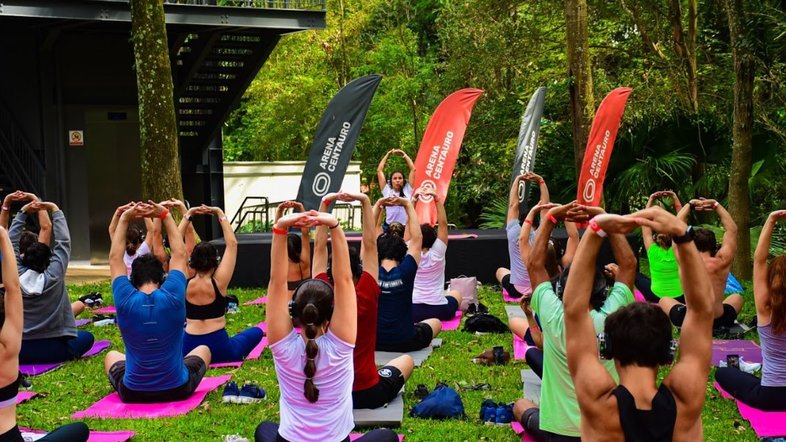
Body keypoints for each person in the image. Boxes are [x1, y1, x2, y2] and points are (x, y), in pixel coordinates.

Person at [564, 208, 715, 440]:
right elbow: (702, 310)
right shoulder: (685, 399)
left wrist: (596, 229)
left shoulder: (599, 405)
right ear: (668, 351)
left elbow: (574, 311)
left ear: (607, 347)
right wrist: (682, 234)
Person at [254, 210, 397, 442]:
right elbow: (344, 280)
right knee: (387, 437)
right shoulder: (341, 345)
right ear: (331, 314)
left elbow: (277, 282)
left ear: (294, 312)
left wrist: (280, 228)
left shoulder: (281, 345)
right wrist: (334, 226)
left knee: (265, 429)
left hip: (288, 440)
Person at [513, 203, 636, 441]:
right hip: (608, 431)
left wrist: (551, 218)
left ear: (560, 290)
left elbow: (534, 264)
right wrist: (603, 217)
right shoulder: (613, 317)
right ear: (602, 290)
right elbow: (628, 266)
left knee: (520, 405)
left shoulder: (552, 314)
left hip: (560, 433)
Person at [313, 191, 414, 410]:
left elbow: (319, 247)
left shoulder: (319, 292)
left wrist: (325, 204)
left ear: (329, 271)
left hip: (329, 396)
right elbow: (370, 245)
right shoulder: (367, 291)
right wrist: (366, 202)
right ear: (358, 269)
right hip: (367, 393)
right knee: (406, 361)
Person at [104, 201, 211, 403]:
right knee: (203, 350)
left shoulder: (125, 298)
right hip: (178, 388)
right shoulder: (172, 294)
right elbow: (180, 254)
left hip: (133, 392)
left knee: (112, 356)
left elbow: (114, 259)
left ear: (132, 281)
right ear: (162, 278)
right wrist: (165, 215)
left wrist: (125, 218)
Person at [0, 226, 90, 442]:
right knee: (79, 430)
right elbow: (13, 287)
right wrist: (2, 234)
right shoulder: (8, 348)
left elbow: (12, 286)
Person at [715, 209, 786, 410]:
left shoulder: (765, 309)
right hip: (771, 393)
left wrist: (771, 219)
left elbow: (760, 260)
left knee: (723, 373)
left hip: (769, 397)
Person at [8, 201, 95, 364]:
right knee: (87, 337)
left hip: (21, 350)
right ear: (49, 260)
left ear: (23, 258)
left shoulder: (15, 276)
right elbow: (63, 244)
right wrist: (55, 210)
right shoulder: (55, 275)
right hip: (56, 349)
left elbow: (11, 244)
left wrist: (22, 212)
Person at [181, 205, 263, 363]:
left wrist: (188, 215)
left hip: (188, 349)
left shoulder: (182, 280)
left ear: (192, 262)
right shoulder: (219, 282)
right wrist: (219, 213)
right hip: (221, 349)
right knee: (257, 331)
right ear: (215, 262)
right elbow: (232, 244)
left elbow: (176, 243)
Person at [663, 198, 744, 329]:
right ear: (714, 247)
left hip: (689, 320)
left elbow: (675, 228)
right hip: (719, 320)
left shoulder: (685, 260)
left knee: (664, 300)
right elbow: (732, 230)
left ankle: (686, 310)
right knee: (737, 297)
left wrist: (689, 205)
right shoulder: (722, 261)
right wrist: (716, 205)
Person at [375, 197, 441, 352]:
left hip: (376, 341)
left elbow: (368, 237)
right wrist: (407, 205)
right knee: (436, 322)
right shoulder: (406, 271)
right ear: (402, 254)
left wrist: (379, 205)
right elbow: (417, 238)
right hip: (406, 341)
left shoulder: (371, 272)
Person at [411, 188, 462, 322]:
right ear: (434, 240)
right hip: (439, 310)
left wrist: (413, 200)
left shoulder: (410, 252)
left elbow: (409, 225)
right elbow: (444, 225)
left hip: (414, 310)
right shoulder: (437, 253)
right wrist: (436, 199)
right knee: (456, 293)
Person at [496, 172, 549, 299]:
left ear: (520, 222)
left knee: (500, 271)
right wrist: (541, 180)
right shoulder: (541, 234)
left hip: (517, 290)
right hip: (539, 289)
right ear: (536, 224)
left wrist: (518, 179)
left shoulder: (514, 232)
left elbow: (513, 205)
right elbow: (545, 207)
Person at [635, 191, 684, 304]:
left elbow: (645, 226)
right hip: (680, 297)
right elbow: (681, 222)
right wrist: (675, 197)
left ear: (656, 238)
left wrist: (651, 200)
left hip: (656, 297)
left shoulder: (652, 251)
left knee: (636, 275)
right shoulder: (678, 251)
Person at [109, 201, 156, 277]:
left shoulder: (119, 254)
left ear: (122, 241)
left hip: (124, 286)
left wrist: (118, 212)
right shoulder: (143, 252)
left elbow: (112, 230)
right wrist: (142, 211)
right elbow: (151, 230)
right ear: (138, 241)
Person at [275, 201, 311, 292]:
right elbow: (305, 234)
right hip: (304, 301)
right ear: (299, 246)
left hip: (285, 303)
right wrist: (300, 207)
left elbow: (276, 235)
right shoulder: (304, 262)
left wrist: (280, 209)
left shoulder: (281, 264)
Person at [376, 149, 416, 226]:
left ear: (403, 180)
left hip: (405, 226)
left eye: (400, 178)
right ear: (391, 181)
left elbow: (413, 169)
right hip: (389, 226)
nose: (397, 180)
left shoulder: (408, 189)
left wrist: (404, 154)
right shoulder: (387, 190)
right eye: (395, 178)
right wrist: (388, 154)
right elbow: (379, 171)